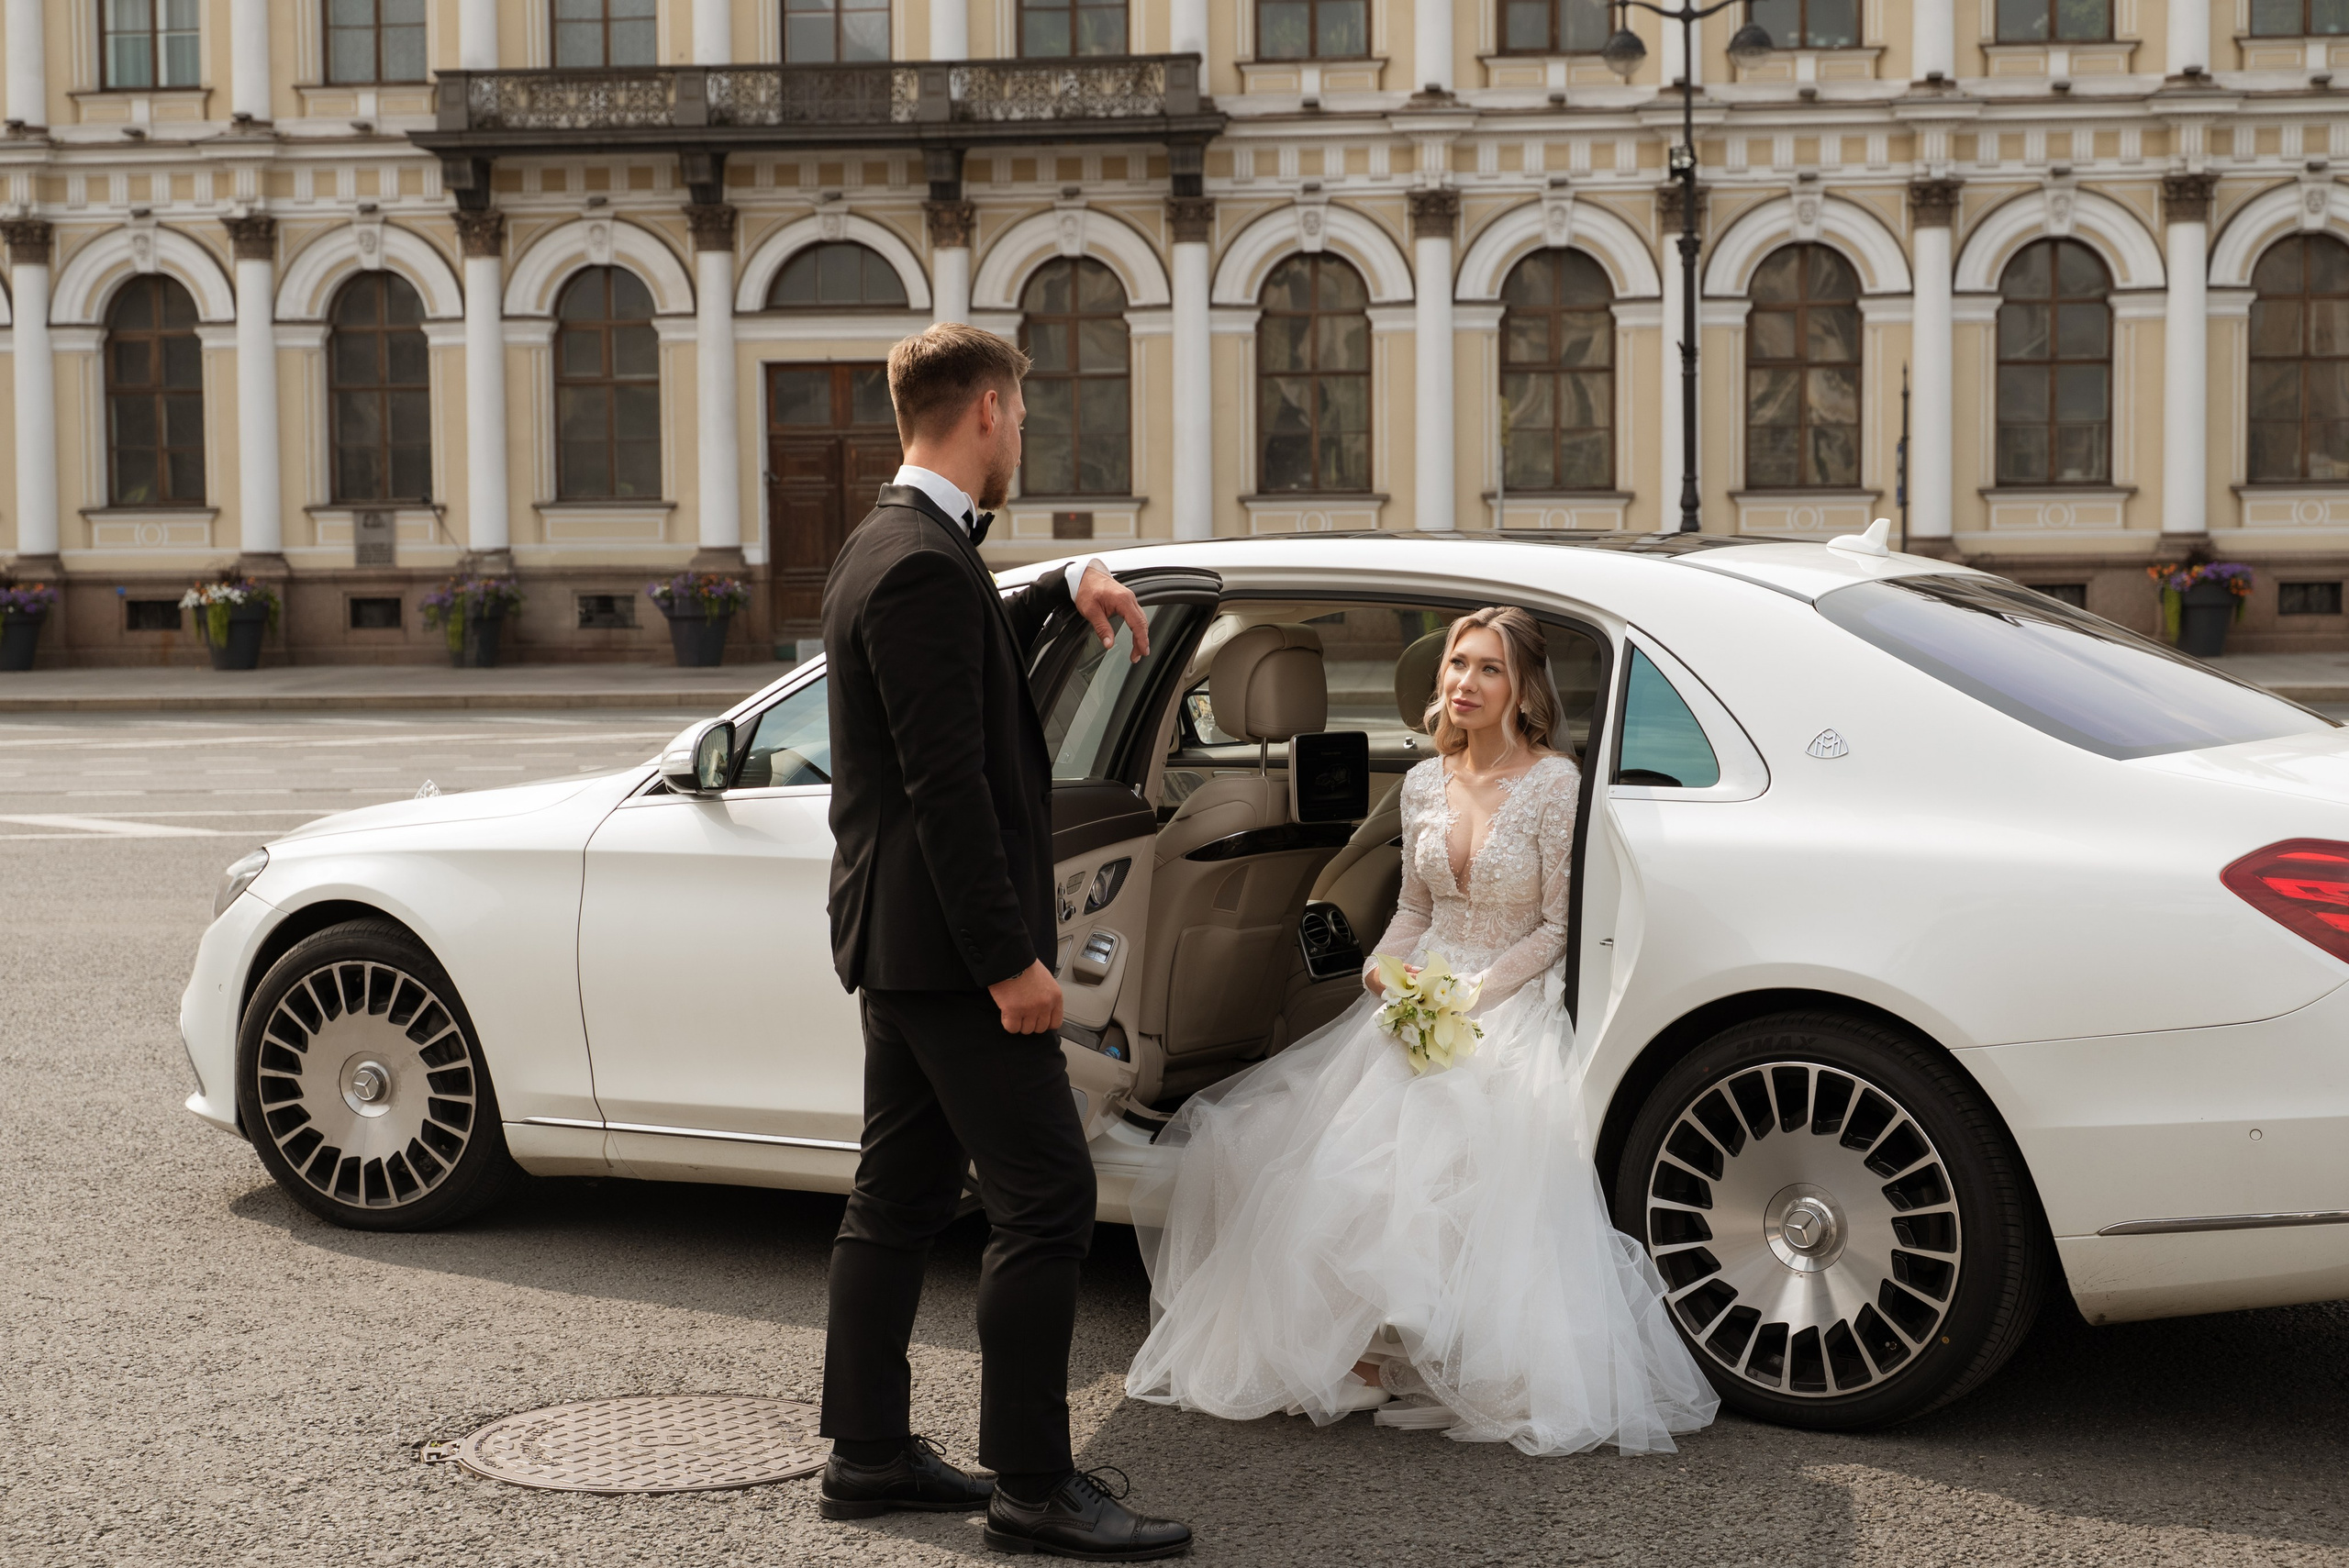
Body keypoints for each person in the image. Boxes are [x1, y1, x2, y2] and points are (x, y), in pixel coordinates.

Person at [1126, 606, 1720, 1456]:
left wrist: (1475, 994)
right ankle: (1363, 1356)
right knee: (1316, 1152)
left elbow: (1556, 925)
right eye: (1456, 666)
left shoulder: (1556, 783)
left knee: (1452, 1139)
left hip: (1507, 995)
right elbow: (1412, 910)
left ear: (1522, 691)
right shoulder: (1421, 783)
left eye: (1488, 670)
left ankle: (1444, 1355)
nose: (1465, 684)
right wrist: (1382, 974)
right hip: (1419, 993)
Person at [817, 322, 1193, 1560]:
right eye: (1022, 414)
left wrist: (1058, 585)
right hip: (953, 952)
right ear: (986, 409)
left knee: (900, 1196)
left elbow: (957, 653)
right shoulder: (923, 562)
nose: (1023, 433)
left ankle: (868, 1451)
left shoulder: (892, 543)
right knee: (1047, 1201)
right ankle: (1032, 1483)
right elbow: (948, 790)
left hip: (899, 945)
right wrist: (1012, 965)